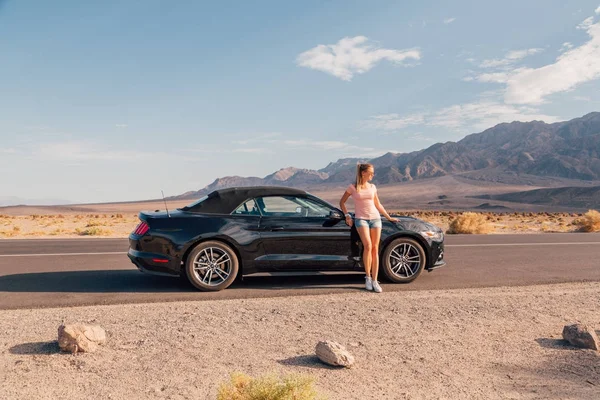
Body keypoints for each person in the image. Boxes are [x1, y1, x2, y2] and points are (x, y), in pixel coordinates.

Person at [339, 163, 398, 293]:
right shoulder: (353, 187)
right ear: (363, 173)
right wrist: (347, 215)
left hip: (375, 219)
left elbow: (377, 204)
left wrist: (388, 217)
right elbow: (342, 202)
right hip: (361, 220)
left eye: (373, 172)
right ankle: (368, 277)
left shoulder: (372, 187)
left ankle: (375, 280)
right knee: (368, 246)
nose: (373, 175)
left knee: (375, 248)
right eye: (370, 172)